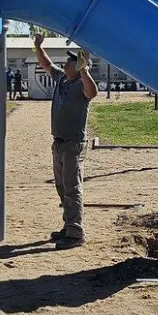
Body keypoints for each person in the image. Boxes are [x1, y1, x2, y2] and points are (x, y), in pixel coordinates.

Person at [33, 33, 98, 248]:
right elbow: (46, 63)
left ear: (78, 67)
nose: (65, 63)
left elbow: (93, 92)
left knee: (72, 188)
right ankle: (69, 226)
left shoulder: (82, 84)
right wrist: (38, 46)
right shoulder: (62, 78)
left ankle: (76, 234)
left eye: (70, 61)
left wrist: (85, 71)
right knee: (62, 187)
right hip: (59, 143)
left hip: (73, 144)